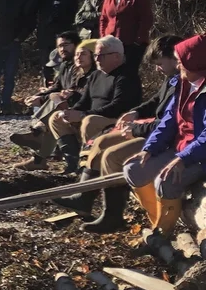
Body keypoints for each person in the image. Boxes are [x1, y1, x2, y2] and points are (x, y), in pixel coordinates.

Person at [53, 35, 180, 231]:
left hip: (164, 139)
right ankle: (84, 197)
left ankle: (113, 215)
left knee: (112, 156)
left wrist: (136, 128)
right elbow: (155, 101)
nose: (157, 69)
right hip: (149, 129)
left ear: (175, 58)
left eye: (159, 63)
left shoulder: (182, 83)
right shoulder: (172, 79)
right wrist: (136, 112)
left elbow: (169, 124)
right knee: (101, 142)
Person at [125, 34, 206, 238]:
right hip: (180, 148)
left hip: (199, 156)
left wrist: (183, 158)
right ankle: (157, 218)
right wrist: (149, 149)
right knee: (133, 169)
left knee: (165, 180)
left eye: (181, 62)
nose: (178, 66)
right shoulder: (182, 83)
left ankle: (164, 233)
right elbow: (169, 121)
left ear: (194, 63)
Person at [47, 35, 142, 174]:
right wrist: (71, 112)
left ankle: (90, 167)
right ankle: (73, 161)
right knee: (57, 118)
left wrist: (83, 114)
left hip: (117, 120)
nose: (96, 59)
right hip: (93, 116)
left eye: (101, 55)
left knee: (90, 121)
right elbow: (84, 101)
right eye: (96, 55)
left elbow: (118, 106)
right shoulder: (96, 75)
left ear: (116, 56)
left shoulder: (127, 76)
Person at [11, 34, 94, 171]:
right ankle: (38, 153)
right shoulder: (65, 65)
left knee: (54, 104)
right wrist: (37, 96)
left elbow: (78, 91)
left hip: (82, 109)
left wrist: (45, 98)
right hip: (67, 105)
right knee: (52, 111)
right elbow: (57, 86)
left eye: (66, 45)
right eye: (59, 46)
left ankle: (38, 136)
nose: (62, 49)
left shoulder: (81, 67)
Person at [101, 0, 154, 75]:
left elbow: (146, 19)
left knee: (127, 75)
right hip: (111, 44)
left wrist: (137, 41)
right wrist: (103, 39)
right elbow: (104, 19)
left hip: (131, 45)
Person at [34, 0, 78, 83]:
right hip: (45, 35)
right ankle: (46, 88)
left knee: (62, 64)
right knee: (46, 65)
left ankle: (61, 86)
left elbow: (73, 14)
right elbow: (30, 10)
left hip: (62, 35)